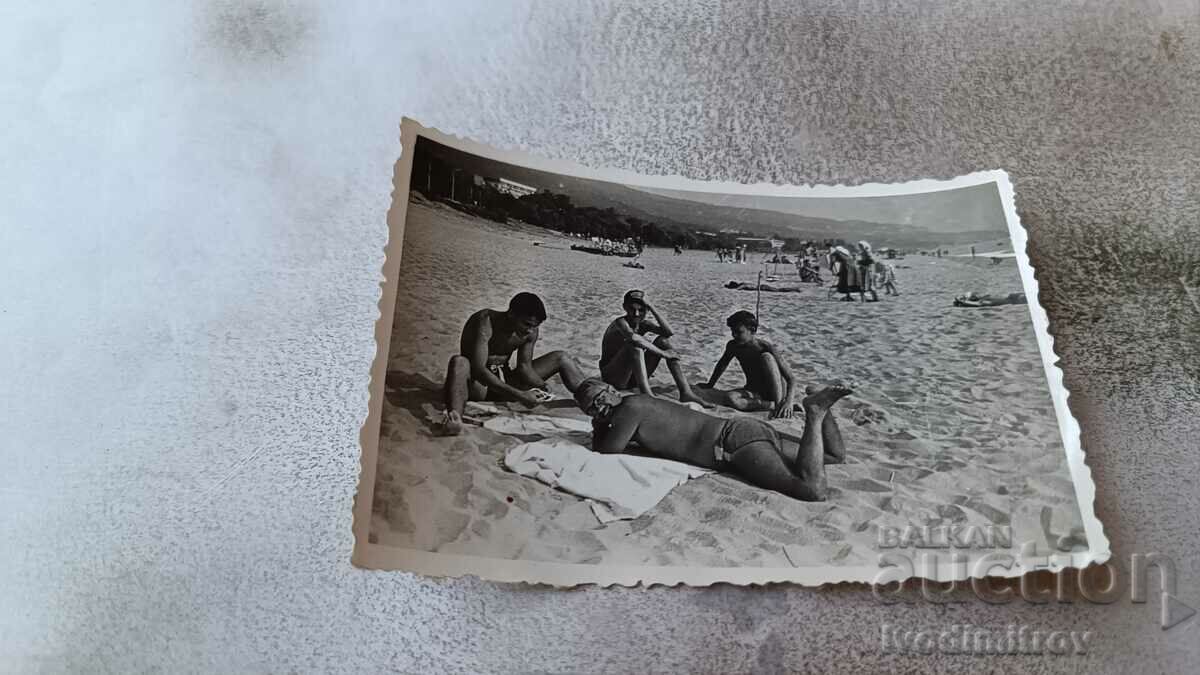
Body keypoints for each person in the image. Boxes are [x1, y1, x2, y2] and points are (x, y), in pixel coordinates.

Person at [574, 378, 853, 501]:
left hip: (732, 443)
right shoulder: (637, 402)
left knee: (812, 490)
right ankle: (822, 408)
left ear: (612, 390)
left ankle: (815, 413)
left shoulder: (627, 409)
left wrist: (597, 423)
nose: (599, 409)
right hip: (742, 429)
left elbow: (607, 451)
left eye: (599, 400)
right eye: (592, 408)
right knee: (834, 458)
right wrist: (600, 416)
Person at [438, 292, 587, 435]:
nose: (530, 330)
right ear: (511, 314)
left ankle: (592, 397)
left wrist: (543, 386)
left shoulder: (531, 330)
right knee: (459, 362)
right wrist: (520, 395)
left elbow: (524, 367)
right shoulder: (485, 322)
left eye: (534, 326)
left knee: (560, 357)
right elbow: (478, 370)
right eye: (526, 324)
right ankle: (455, 418)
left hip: (504, 379)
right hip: (478, 386)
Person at [599, 290, 711, 407]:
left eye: (641, 310)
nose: (636, 314)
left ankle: (685, 392)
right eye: (632, 309)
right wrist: (663, 354)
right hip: (613, 377)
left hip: (633, 378)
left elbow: (668, 332)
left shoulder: (644, 324)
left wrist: (652, 307)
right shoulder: (620, 322)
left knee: (663, 341)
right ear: (625, 308)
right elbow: (634, 338)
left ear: (646, 310)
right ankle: (647, 395)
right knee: (634, 347)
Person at [695, 310, 799, 418]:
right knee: (730, 398)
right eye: (732, 332)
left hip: (776, 392)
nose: (734, 335)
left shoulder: (765, 347)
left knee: (766, 357)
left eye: (739, 332)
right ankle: (771, 405)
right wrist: (710, 384)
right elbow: (722, 365)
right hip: (754, 392)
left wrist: (789, 402)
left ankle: (779, 405)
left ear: (752, 331)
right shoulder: (733, 346)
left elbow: (791, 378)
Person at [953, 292, 1027, 307]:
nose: (975, 293)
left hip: (1011, 298)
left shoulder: (984, 298)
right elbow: (978, 304)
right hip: (1012, 300)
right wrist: (963, 301)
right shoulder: (982, 301)